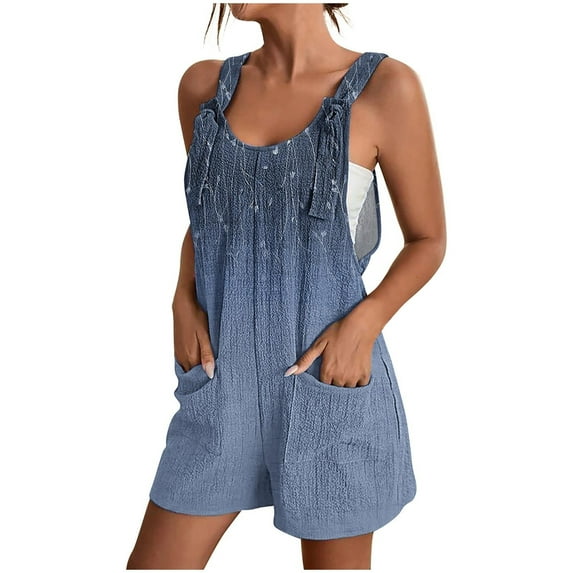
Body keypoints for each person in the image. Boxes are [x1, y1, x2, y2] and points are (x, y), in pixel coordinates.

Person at [127, 3, 446, 570]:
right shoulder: (203, 88)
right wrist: (181, 296)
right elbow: (211, 215)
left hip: (326, 380)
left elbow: (428, 240)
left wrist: (364, 324)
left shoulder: (386, 88)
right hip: (219, 386)